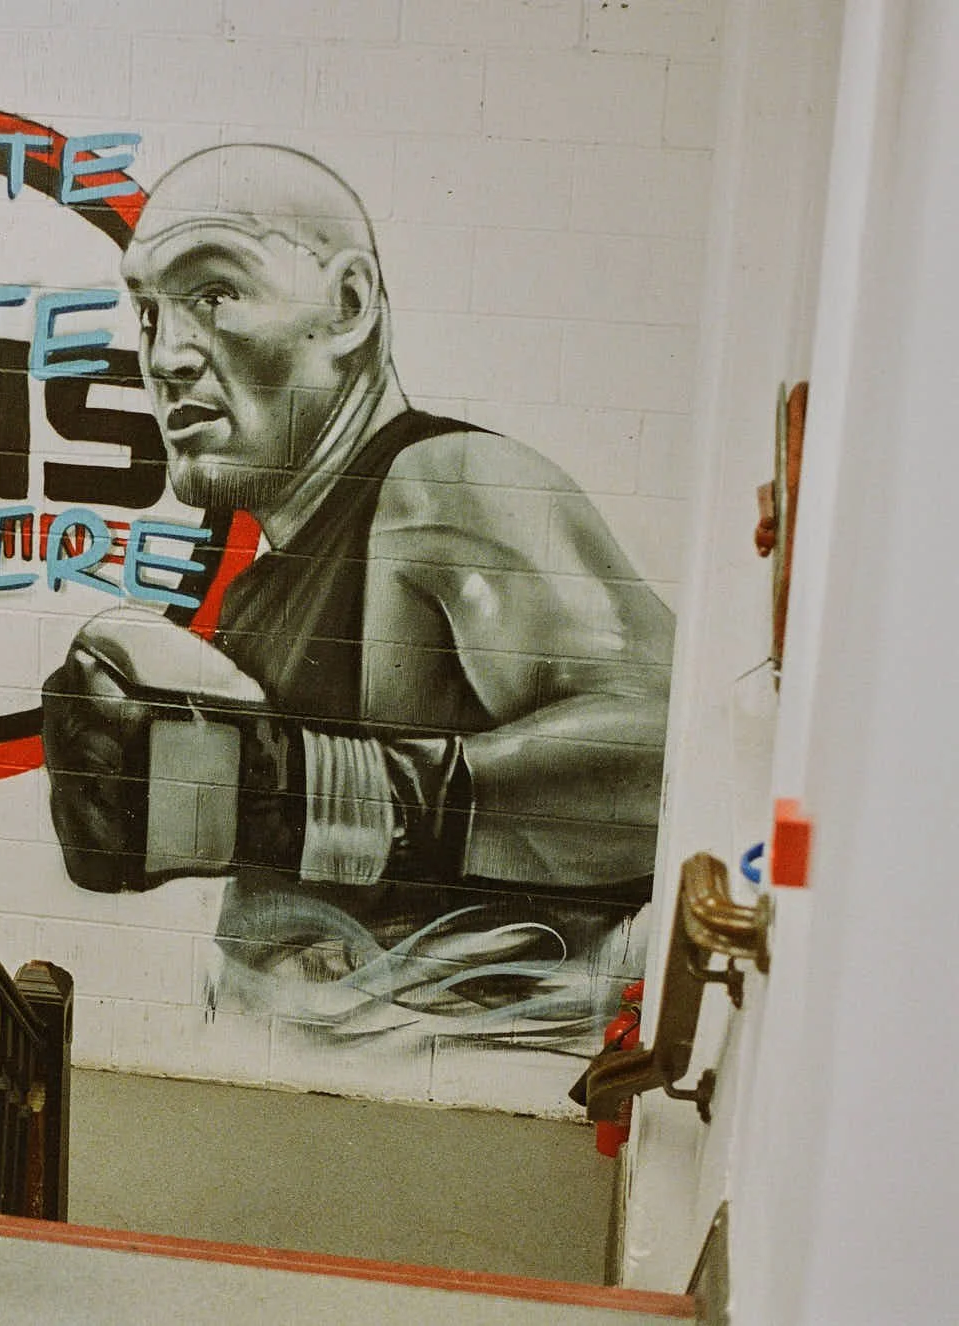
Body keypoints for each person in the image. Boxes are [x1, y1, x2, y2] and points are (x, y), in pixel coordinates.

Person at [40, 145, 674, 1040]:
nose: (167, 355)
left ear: (347, 307)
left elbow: (665, 757)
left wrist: (312, 791)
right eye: (147, 312)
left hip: (460, 1085)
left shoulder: (444, 483)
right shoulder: (264, 588)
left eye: (213, 294)